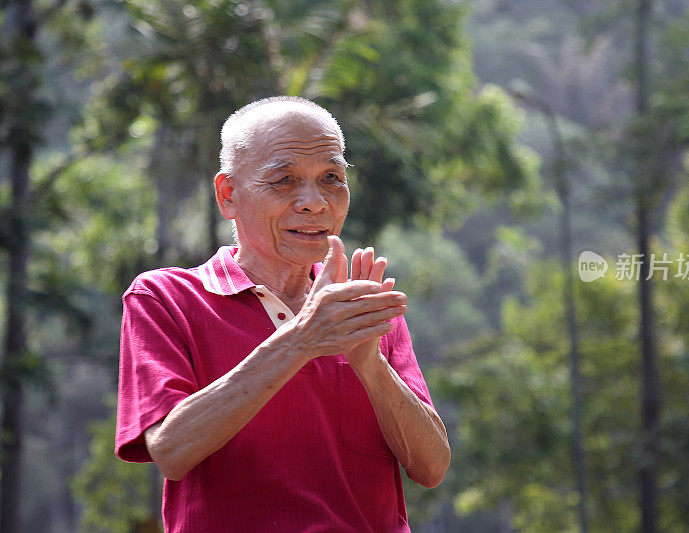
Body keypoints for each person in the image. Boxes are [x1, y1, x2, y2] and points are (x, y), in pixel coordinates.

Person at [114, 96, 450, 532]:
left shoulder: (361, 307)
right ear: (228, 195)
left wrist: (369, 363)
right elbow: (172, 450)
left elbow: (432, 468)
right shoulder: (167, 299)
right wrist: (300, 340)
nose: (314, 202)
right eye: (284, 180)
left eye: (332, 178)